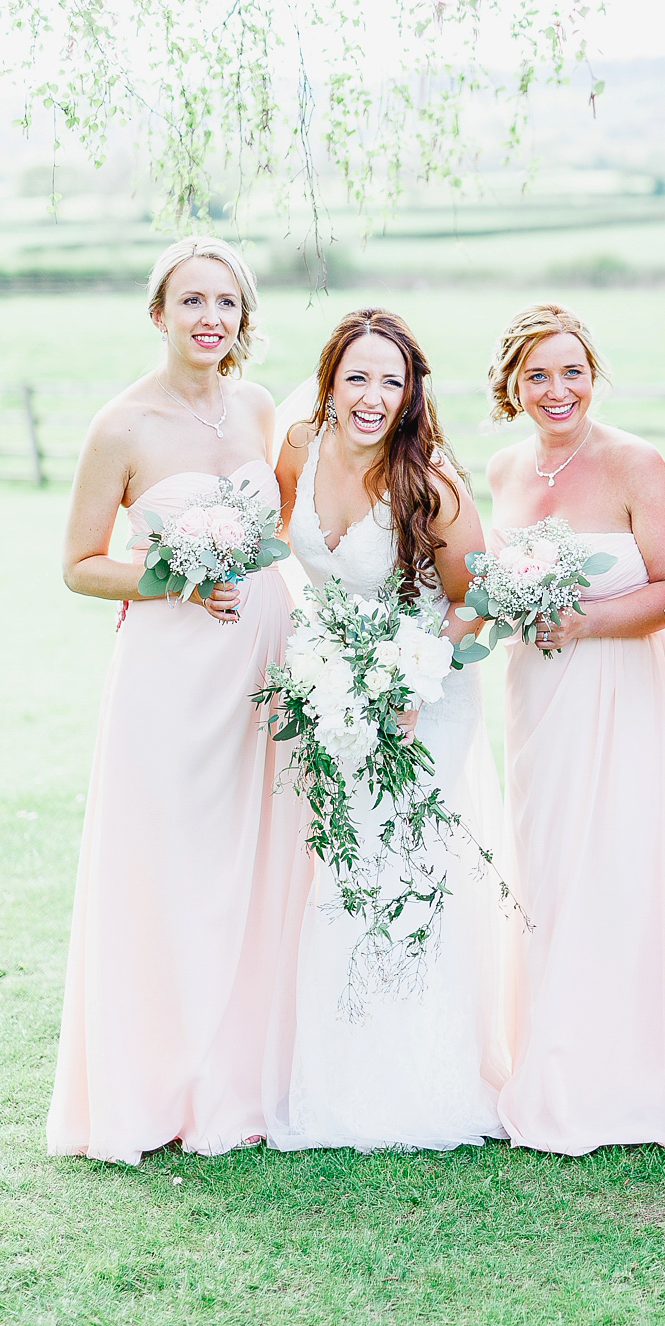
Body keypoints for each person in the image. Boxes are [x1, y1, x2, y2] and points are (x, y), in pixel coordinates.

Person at [47, 237, 295, 1164]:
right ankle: (158, 1083)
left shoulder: (260, 408)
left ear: (242, 315)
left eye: (226, 302)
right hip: (170, 670)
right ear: (159, 315)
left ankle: (244, 1074)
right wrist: (171, 579)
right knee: (170, 860)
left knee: (257, 856)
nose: (210, 319)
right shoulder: (122, 426)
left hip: (261, 653)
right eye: (191, 301)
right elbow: (77, 567)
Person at [485, 303, 665, 1156]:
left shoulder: (634, 464)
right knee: (550, 864)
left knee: (623, 865)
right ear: (512, 384)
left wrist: (586, 622)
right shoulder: (503, 470)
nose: (558, 390)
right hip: (535, 698)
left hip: (621, 693)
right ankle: (553, 1060)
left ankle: (633, 1077)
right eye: (538, 375)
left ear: (594, 376)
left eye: (573, 372)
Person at [263, 307, 509, 1152]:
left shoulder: (427, 483)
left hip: (421, 700)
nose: (373, 397)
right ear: (330, 379)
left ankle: (420, 1081)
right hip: (335, 691)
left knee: (408, 868)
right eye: (357, 377)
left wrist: (412, 675)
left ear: (411, 397)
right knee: (343, 872)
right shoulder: (297, 446)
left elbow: (476, 601)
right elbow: (270, 541)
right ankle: (340, 1077)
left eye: (392, 383)